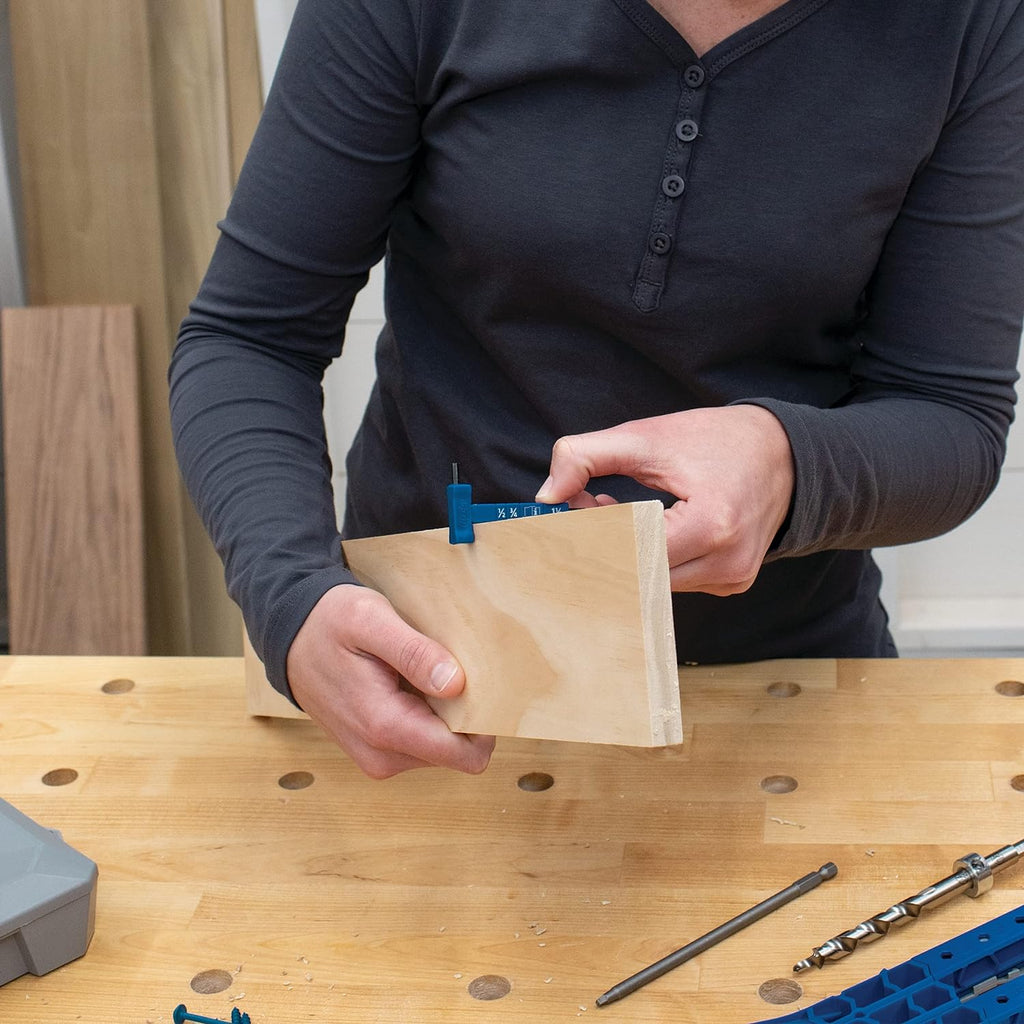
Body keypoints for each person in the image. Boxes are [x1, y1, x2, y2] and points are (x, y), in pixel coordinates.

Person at [170, 0, 1024, 779]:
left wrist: (788, 464)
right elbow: (250, 339)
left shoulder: (971, 24)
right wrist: (293, 597)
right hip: (429, 676)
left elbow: (951, 418)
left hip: (774, 694)